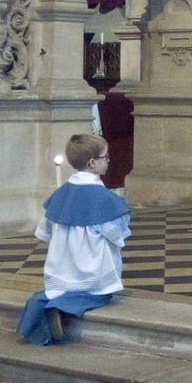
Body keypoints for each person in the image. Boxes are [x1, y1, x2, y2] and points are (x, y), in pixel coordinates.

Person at [17, 133, 132, 344]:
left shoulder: (61, 194)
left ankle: (45, 308)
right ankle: (59, 308)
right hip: (92, 269)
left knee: (56, 292)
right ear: (92, 163)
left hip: (62, 268)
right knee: (100, 294)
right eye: (105, 157)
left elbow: (44, 232)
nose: (108, 161)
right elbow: (117, 235)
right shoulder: (104, 199)